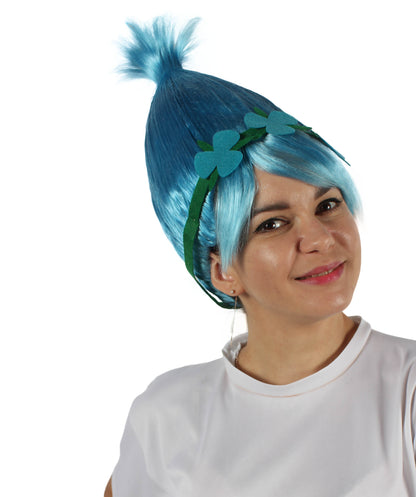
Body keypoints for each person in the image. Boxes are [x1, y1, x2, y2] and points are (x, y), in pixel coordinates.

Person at [105, 16, 416, 497]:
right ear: (222, 271)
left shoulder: (405, 393)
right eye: (272, 223)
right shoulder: (165, 417)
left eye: (327, 205)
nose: (319, 238)